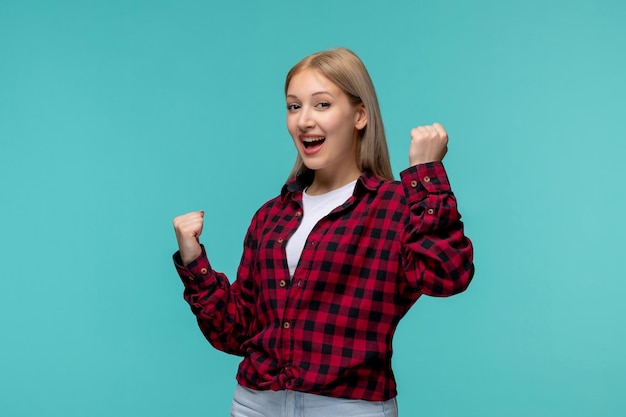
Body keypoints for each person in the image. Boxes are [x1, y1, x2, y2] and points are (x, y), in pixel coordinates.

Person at [172, 47, 474, 417]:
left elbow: (447, 276)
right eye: (294, 106)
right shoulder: (270, 217)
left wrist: (426, 172)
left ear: (360, 114)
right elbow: (238, 332)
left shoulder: (396, 205)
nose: (303, 121)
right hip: (255, 405)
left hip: (349, 407)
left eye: (322, 105)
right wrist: (193, 260)